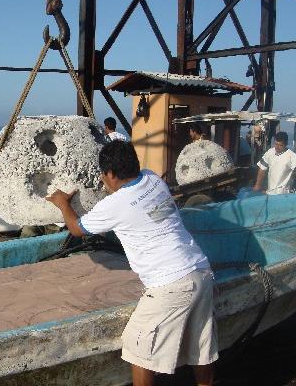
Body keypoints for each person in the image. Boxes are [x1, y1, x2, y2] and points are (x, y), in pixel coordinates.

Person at [46, 140, 217, 386]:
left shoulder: (114, 205)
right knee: (202, 345)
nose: (103, 180)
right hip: (200, 270)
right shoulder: (152, 179)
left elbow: (76, 228)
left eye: (104, 175)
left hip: (171, 283)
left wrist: (62, 203)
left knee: (139, 348)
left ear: (111, 174)